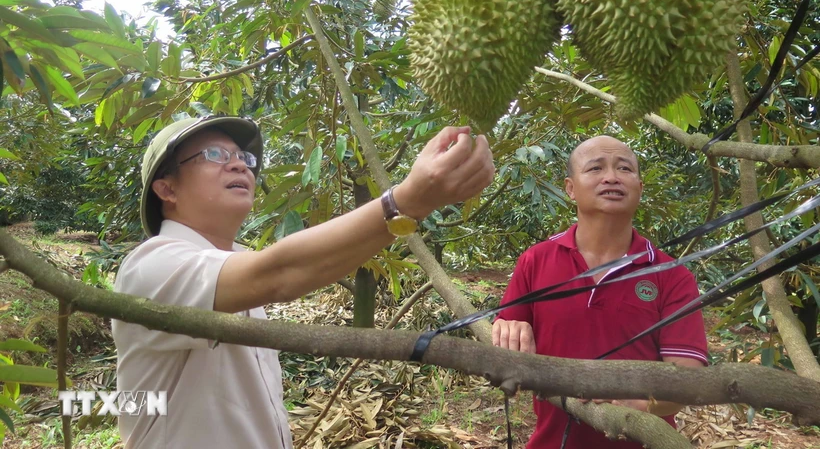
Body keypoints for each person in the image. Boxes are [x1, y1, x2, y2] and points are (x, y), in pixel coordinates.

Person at [112, 115, 494, 449]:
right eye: (214, 155)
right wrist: (407, 200)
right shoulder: (152, 265)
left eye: (244, 158)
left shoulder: (237, 268)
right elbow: (281, 273)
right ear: (168, 189)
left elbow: (296, 267)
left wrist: (412, 206)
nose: (239, 166)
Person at [492, 135, 707, 449]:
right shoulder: (535, 261)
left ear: (639, 188)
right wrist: (508, 329)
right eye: (595, 168)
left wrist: (636, 405)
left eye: (624, 169)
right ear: (570, 188)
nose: (612, 177)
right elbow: (507, 351)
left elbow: (686, 380)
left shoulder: (671, 275)